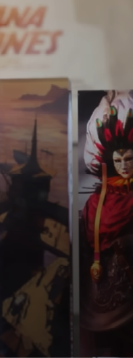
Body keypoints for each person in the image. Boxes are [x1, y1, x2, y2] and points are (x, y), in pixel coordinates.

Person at [79, 91, 133, 356]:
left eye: (129, 159)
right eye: (118, 160)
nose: (124, 166)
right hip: (98, 289)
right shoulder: (97, 200)